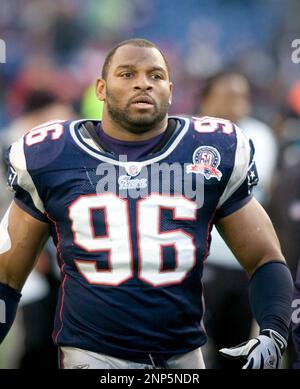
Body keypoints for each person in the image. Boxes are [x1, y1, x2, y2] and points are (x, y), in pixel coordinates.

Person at [0, 38, 293, 369]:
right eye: (126, 74)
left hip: (181, 358)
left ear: (170, 88)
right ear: (100, 88)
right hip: (93, 357)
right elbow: (6, 276)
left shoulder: (208, 151)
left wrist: (274, 331)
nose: (142, 82)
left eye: (155, 75)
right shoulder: (54, 155)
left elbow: (265, 257)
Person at [196, 71, 279, 368]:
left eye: (243, 97)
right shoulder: (183, 135)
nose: (237, 104)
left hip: (245, 260)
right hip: (199, 260)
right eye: (228, 96)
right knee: (190, 351)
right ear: (205, 99)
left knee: (237, 349)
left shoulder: (260, 136)